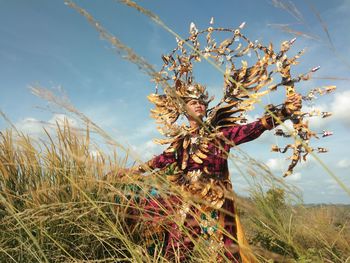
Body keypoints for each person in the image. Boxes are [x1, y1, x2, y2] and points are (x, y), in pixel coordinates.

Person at [125, 82, 302, 262]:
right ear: (184, 109)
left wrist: (284, 112)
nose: (199, 105)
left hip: (216, 200)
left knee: (224, 253)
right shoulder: (181, 141)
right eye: (193, 102)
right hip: (188, 199)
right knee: (177, 250)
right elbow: (161, 160)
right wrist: (134, 170)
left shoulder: (219, 136)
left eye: (202, 102)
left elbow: (251, 129)